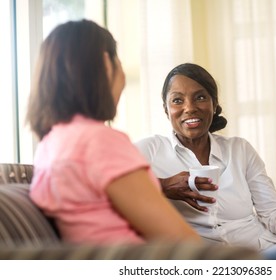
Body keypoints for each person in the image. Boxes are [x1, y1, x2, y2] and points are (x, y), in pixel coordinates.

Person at [135, 62, 276, 259]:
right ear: (166, 109)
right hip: (212, 261)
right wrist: (162, 186)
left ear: (214, 105)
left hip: (265, 251)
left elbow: (274, 218)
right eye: (177, 100)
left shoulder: (239, 149)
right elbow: (105, 193)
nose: (189, 107)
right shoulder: (149, 150)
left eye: (200, 97)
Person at [25, 20, 201, 246]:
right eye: (119, 62)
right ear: (106, 64)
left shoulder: (50, 143)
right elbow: (182, 242)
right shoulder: (97, 141)